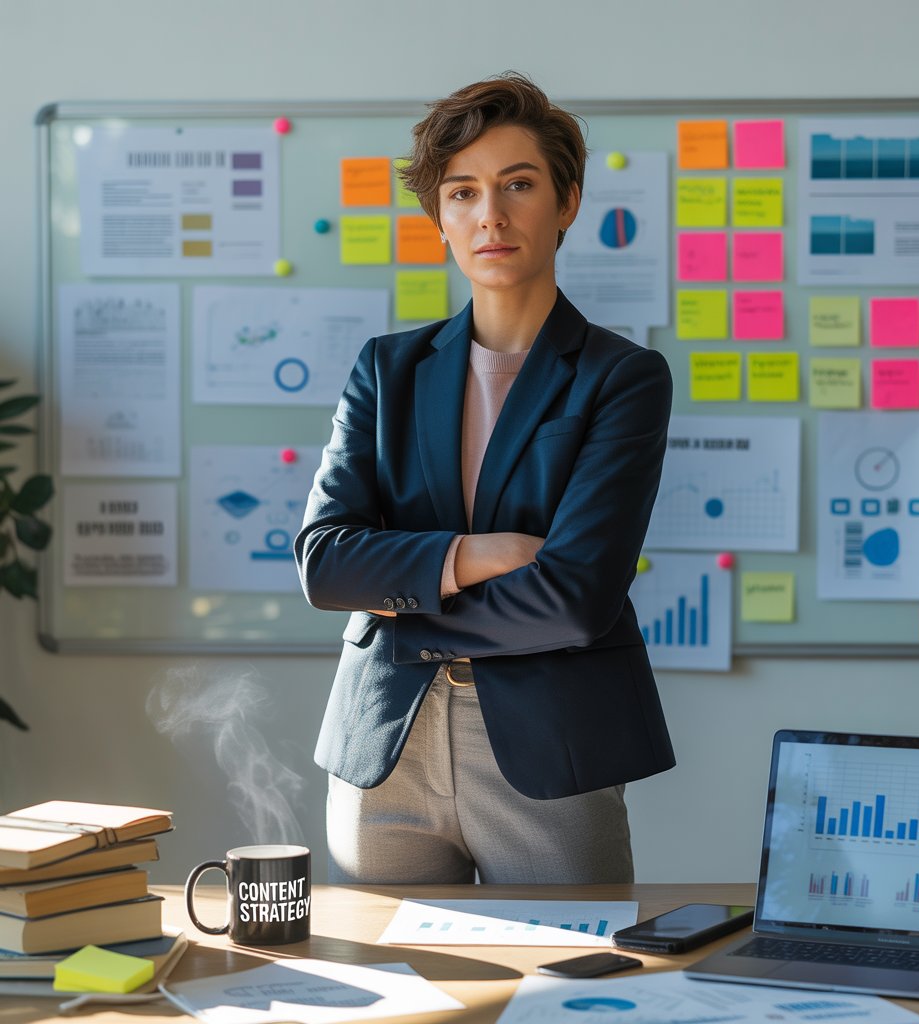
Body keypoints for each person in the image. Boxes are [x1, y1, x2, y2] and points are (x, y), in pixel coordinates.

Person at [296, 72, 675, 885]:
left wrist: (406, 603)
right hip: (385, 747)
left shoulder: (623, 377)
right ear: (440, 216)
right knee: (390, 986)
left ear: (566, 201)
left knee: (569, 987)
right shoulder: (386, 370)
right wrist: (478, 554)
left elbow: (577, 597)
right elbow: (325, 563)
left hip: (548, 744)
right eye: (462, 192)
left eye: (518, 185)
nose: (490, 215)